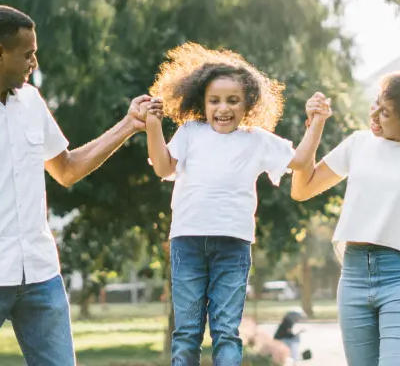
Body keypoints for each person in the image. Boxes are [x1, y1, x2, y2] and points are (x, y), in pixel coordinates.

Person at [139, 42, 331, 365]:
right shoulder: (190, 132)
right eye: (214, 101)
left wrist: (317, 122)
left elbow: (299, 160)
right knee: (187, 333)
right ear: (202, 101)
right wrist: (153, 126)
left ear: (248, 104)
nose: (223, 108)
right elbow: (163, 167)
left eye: (232, 101)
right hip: (187, 242)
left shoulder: (256, 139)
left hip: (234, 245)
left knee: (226, 331)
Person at [0, 5, 162, 365]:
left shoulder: (31, 102)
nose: (35, 63)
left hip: (40, 275)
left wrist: (128, 125)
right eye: (27, 54)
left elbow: (67, 169)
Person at [291, 72, 400, 366]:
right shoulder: (359, 144)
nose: (375, 115)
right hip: (353, 274)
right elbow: (303, 188)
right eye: (375, 105)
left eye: (386, 113)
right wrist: (315, 126)